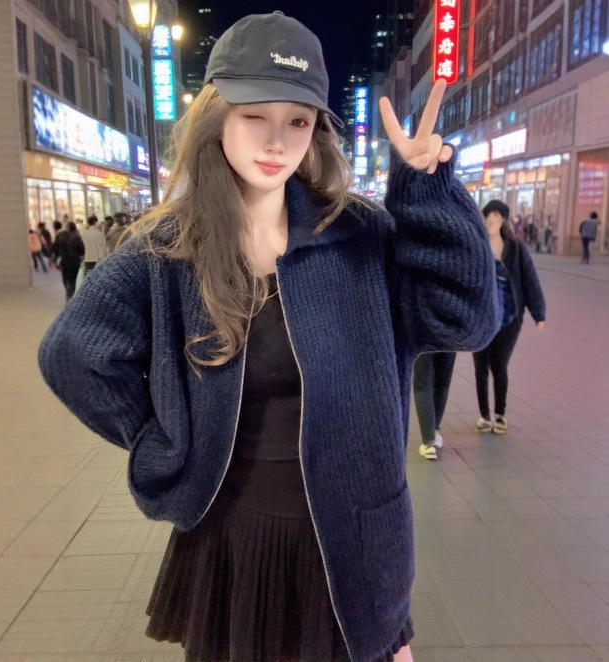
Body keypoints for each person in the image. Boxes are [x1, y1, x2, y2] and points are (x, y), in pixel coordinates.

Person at [39, 12, 499, 662]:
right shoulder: (171, 248)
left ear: (317, 131)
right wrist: (162, 440)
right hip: (234, 538)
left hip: (355, 542)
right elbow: (72, 353)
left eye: (298, 121)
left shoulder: (358, 235)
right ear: (217, 116)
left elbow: (467, 320)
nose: (277, 140)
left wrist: (428, 190)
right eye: (255, 114)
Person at [473, 200, 546, 435]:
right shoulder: (478, 245)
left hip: (509, 318)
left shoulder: (516, 248)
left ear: (503, 219)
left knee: (499, 365)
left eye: (496, 215)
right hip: (482, 320)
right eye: (488, 215)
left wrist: (538, 313)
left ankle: (500, 414)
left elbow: (530, 279)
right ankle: (485, 416)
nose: (491, 219)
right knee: (481, 368)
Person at [412, 352, 456, 460]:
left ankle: (428, 443)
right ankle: (434, 433)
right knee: (442, 385)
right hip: (449, 343)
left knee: (423, 386)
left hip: (423, 344)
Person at [52, 221, 84, 301]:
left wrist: (56, 258)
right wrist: (80, 257)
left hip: (65, 262)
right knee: (73, 279)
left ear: (67, 228)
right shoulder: (77, 236)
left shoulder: (61, 236)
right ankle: (71, 293)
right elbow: (82, 250)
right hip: (75, 262)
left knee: (66, 278)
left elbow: (55, 247)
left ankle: (68, 291)